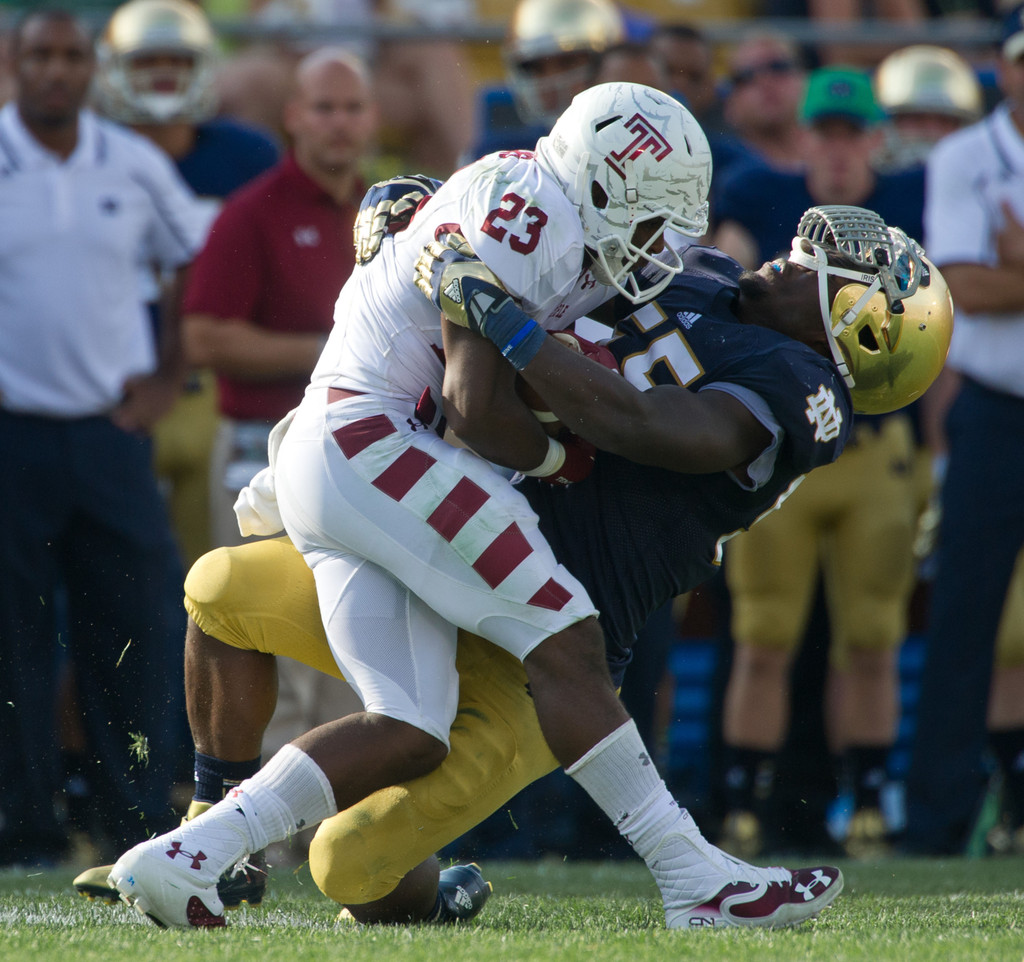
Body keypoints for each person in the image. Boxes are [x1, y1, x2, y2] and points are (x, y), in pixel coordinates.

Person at [102, 81, 841, 932]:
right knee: (565, 634)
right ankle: (693, 877)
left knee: (410, 726)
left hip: (345, 450)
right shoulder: (534, 218)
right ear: (600, 183)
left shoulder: (542, 202)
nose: (657, 242)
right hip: (377, 442)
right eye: (646, 214)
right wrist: (564, 454)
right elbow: (474, 408)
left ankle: (185, 857)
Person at [0, 8, 207, 866]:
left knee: (136, 628)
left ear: (94, 69)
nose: (55, 70)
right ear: (14, 63)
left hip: (111, 435)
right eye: (39, 54)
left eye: (70, 56)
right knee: (10, 639)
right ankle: (24, 828)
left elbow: (195, 259)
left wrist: (167, 379)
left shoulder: (134, 161)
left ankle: (135, 824)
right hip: (9, 436)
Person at [712, 66, 928, 859]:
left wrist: (933, 448)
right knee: (764, 635)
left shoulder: (908, 205)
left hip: (876, 447)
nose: (838, 153)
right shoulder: (764, 197)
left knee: (872, 637)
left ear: (877, 138)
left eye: (852, 135)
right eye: (826, 135)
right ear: (802, 138)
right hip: (791, 446)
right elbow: (726, 275)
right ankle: (742, 804)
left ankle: (867, 805)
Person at [182, 45, 376, 769]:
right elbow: (203, 335)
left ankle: (337, 827)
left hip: (359, 455)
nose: (338, 123)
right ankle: (256, 830)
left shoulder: (389, 213)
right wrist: (333, 352)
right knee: (266, 640)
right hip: (258, 452)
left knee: (351, 646)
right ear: (293, 117)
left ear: (373, 119)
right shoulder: (251, 211)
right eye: (324, 107)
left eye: (352, 107)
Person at [93, 0, 281, 570]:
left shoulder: (247, 155)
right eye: (148, 60)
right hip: (103, 381)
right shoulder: (83, 152)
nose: (163, 75)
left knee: (216, 558)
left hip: (210, 386)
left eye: (178, 59)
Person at [904, 3, 1024, 856]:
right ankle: (936, 821)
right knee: (964, 619)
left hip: (993, 401)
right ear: (1001, 67)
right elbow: (961, 287)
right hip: (994, 409)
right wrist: (999, 272)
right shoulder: (962, 155)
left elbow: (992, 280)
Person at [472, 0, 626, 158]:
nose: (551, 81)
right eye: (536, 67)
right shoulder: (502, 153)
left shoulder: (633, 141)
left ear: (609, 62)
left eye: (567, 62)